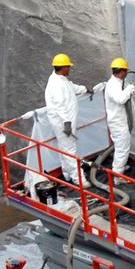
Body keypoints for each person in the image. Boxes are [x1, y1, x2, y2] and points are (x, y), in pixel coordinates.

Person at [44, 53, 88, 184]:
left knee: (64, 148)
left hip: (64, 121)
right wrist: (67, 123)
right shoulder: (56, 84)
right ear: (63, 67)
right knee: (69, 149)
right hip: (62, 123)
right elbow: (59, 105)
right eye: (68, 67)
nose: (69, 69)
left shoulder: (60, 79)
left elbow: (70, 87)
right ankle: (79, 179)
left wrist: (84, 89)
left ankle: (67, 174)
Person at [104, 57, 135, 175]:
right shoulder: (112, 85)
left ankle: (119, 168)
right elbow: (121, 99)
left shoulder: (122, 83)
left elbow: (134, 92)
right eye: (126, 71)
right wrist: (130, 88)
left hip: (124, 122)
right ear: (122, 71)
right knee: (122, 150)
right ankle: (117, 176)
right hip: (118, 124)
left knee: (122, 149)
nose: (126, 73)